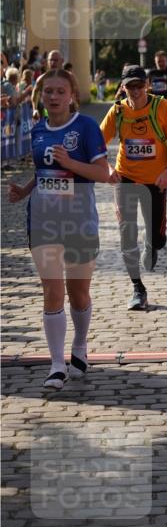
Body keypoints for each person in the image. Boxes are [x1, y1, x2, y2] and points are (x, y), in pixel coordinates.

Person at [7, 69, 109, 390]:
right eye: (47, 91)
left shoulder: (87, 127)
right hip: (43, 220)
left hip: (79, 220)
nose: (53, 97)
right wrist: (24, 191)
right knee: (52, 291)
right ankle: (56, 365)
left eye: (59, 91)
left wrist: (71, 162)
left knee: (78, 294)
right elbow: (44, 172)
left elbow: (103, 173)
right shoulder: (38, 130)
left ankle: (79, 345)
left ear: (71, 96)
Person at [101, 65, 167, 311]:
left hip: (155, 180)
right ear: (122, 88)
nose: (134, 91)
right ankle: (138, 288)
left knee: (156, 238)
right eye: (130, 86)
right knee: (127, 233)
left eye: (139, 85)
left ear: (146, 85)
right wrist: (106, 168)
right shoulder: (117, 111)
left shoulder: (162, 107)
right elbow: (96, 143)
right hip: (125, 177)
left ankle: (153, 244)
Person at [31, 49, 66, 120]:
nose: (53, 63)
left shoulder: (68, 78)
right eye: (51, 60)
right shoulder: (42, 78)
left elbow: (75, 94)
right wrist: (34, 109)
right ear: (47, 61)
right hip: (48, 116)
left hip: (65, 116)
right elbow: (35, 94)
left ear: (62, 61)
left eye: (56, 60)